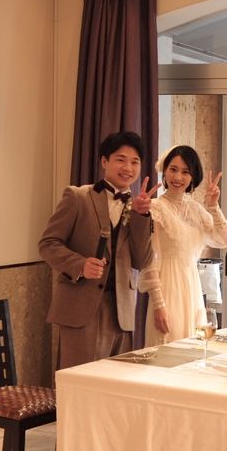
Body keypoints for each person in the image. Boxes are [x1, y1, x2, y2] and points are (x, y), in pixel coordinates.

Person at [39, 131, 160, 369]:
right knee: (80, 381)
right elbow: (48, 243)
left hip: (122, 311)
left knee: (116, 383)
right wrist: (79, 265)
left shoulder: (139, 206)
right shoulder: (77, 197)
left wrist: (141, 216)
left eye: (135, 162)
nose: (128, 168)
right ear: (104, 161)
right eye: (120, 159)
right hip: (81, 309)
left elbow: (141, 261)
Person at [139, 145, 227, 346]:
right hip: (167, 288)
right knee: (167, 349)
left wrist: (213, 206)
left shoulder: (196, 209)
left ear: (193, 177)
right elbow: (150, 260)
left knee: (194, 350)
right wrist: (158, 304)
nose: (178, 177)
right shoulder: (155, 208)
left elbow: (224, 238)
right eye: (173, 169)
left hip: (192, 286)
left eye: (185, 172)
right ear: (164, 171)